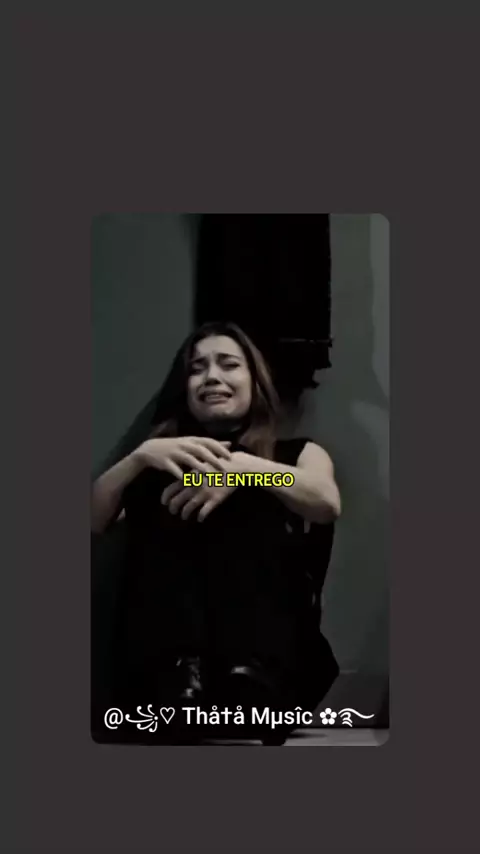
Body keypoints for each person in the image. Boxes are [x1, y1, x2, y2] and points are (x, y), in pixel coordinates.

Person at [92, 321, 341, 743]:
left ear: (254, 381)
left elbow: (325, 502)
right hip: (168, 683)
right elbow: (93, 518)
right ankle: (181, 669)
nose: (211, 376)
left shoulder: (296, 453)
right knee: (168, 490)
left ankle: (249, 669)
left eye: (228, 364)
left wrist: (245, 469)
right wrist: (139, 457)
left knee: (253, 495)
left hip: (273, 670)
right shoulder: (160, 466)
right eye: (197, 368)